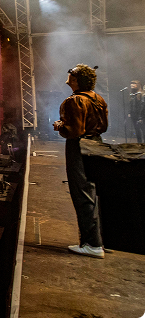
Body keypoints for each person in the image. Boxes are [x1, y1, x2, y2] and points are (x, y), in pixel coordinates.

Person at [53, 64, 108, 259]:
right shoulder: (97, 98)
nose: (67, 77)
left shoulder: (75, 100)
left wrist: (60, 126)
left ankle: (92, 244)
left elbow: (74, 131)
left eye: (71, 76)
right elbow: (104, 126)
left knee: (82, 193)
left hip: (79, 147)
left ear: (76, 80)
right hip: (96, 144)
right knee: (93, 192)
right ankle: (100, 240)